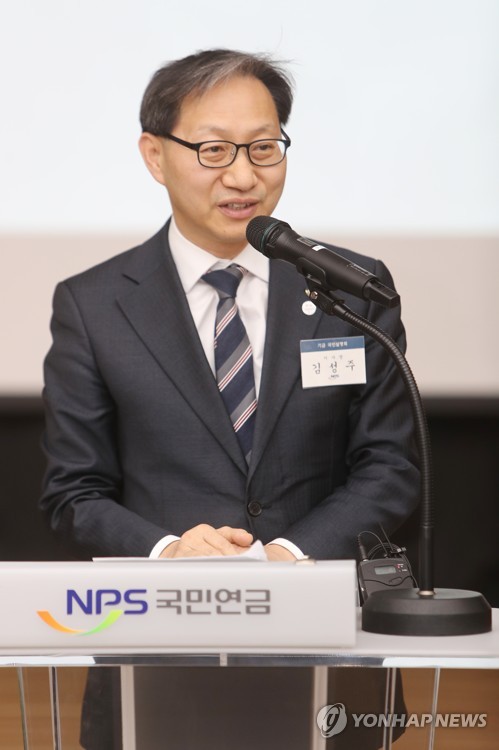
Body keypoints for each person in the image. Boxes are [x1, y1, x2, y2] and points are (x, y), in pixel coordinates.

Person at [40, 49, 418, 749]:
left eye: (263, 148)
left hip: (327, 649)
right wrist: (168, 553)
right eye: (213, 150)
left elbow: (390, 466)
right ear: (155, 156)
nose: (243, 176)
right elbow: (73, 492)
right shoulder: (94, 306)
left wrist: (288, 557)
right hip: (158, 656)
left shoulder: (349, 288)